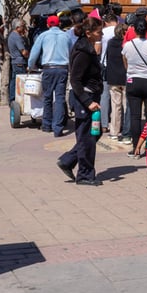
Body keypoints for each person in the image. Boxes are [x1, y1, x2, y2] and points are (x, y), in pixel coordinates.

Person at [57, 16, 104, 186]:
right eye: (98, 32)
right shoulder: (83, 51)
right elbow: (75, 79)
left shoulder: (88, 47)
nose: (101, 35)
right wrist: (87, 101)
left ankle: (68, 160)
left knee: (94, 133)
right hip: (85, 98)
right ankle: (84, 175)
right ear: (88, 33)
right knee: (86, 137)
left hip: (91, 96)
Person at [122, 13, 147, 153]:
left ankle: (136, 147)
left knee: (135, 116)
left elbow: (126, 64)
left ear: (134, 29)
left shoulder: (127, 45)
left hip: (133, 81)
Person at [27, 15, 71, 137]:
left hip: (48, 69)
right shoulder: (66, 36)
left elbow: (34, 53)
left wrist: (30, 66)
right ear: (59, 24)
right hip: (62, 69)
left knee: (47, 97)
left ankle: (46, 125)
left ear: (47, 25)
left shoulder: (43, 36)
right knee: (60, 98)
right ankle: (58, 127)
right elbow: (72, 53)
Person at [105, 22, 129, 144]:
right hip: (125, 77)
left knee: (115, 106)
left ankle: (114, 132)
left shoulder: (110, 43)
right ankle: (126, 130)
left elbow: (107, 58)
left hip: (113, 77)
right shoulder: (127, 44)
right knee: (126, 106)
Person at [7, 19, 29, 103]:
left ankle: (12, 99)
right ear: (17, 27)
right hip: (20, 62)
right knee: (20, 82)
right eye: (22, 26)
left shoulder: (11, 35)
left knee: (14, 81)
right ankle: (16, 99)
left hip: (15, 62)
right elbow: (23, 52)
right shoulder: (17, 37)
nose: (24, 28)